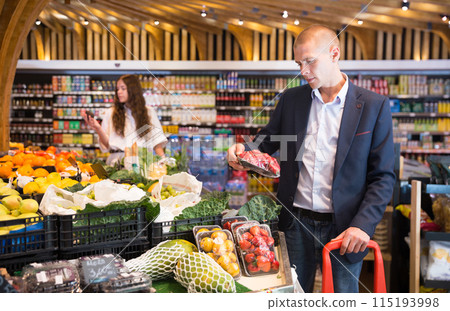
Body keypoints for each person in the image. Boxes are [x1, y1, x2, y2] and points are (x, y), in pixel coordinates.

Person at [227, 25, 395, 293]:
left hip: (345, 229)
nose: (302, 71)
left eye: (309, 61)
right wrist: (241, 149)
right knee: (292, 297)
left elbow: (383, 177)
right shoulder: (292, 99)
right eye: (298, 63)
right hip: (295, 224)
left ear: (334, 54)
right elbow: (267, 141)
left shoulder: (374, 106)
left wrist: (363, 226)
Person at [82, 74, 167, 165]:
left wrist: (163, 162)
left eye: (123, 88)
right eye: (118, 89)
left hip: (142, 163)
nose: (119, 92)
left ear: (133, 90)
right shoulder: (110, 113)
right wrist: (97, 127)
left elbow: (157, 143)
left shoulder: (149, 112)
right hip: (116, 162)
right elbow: (106, 145)